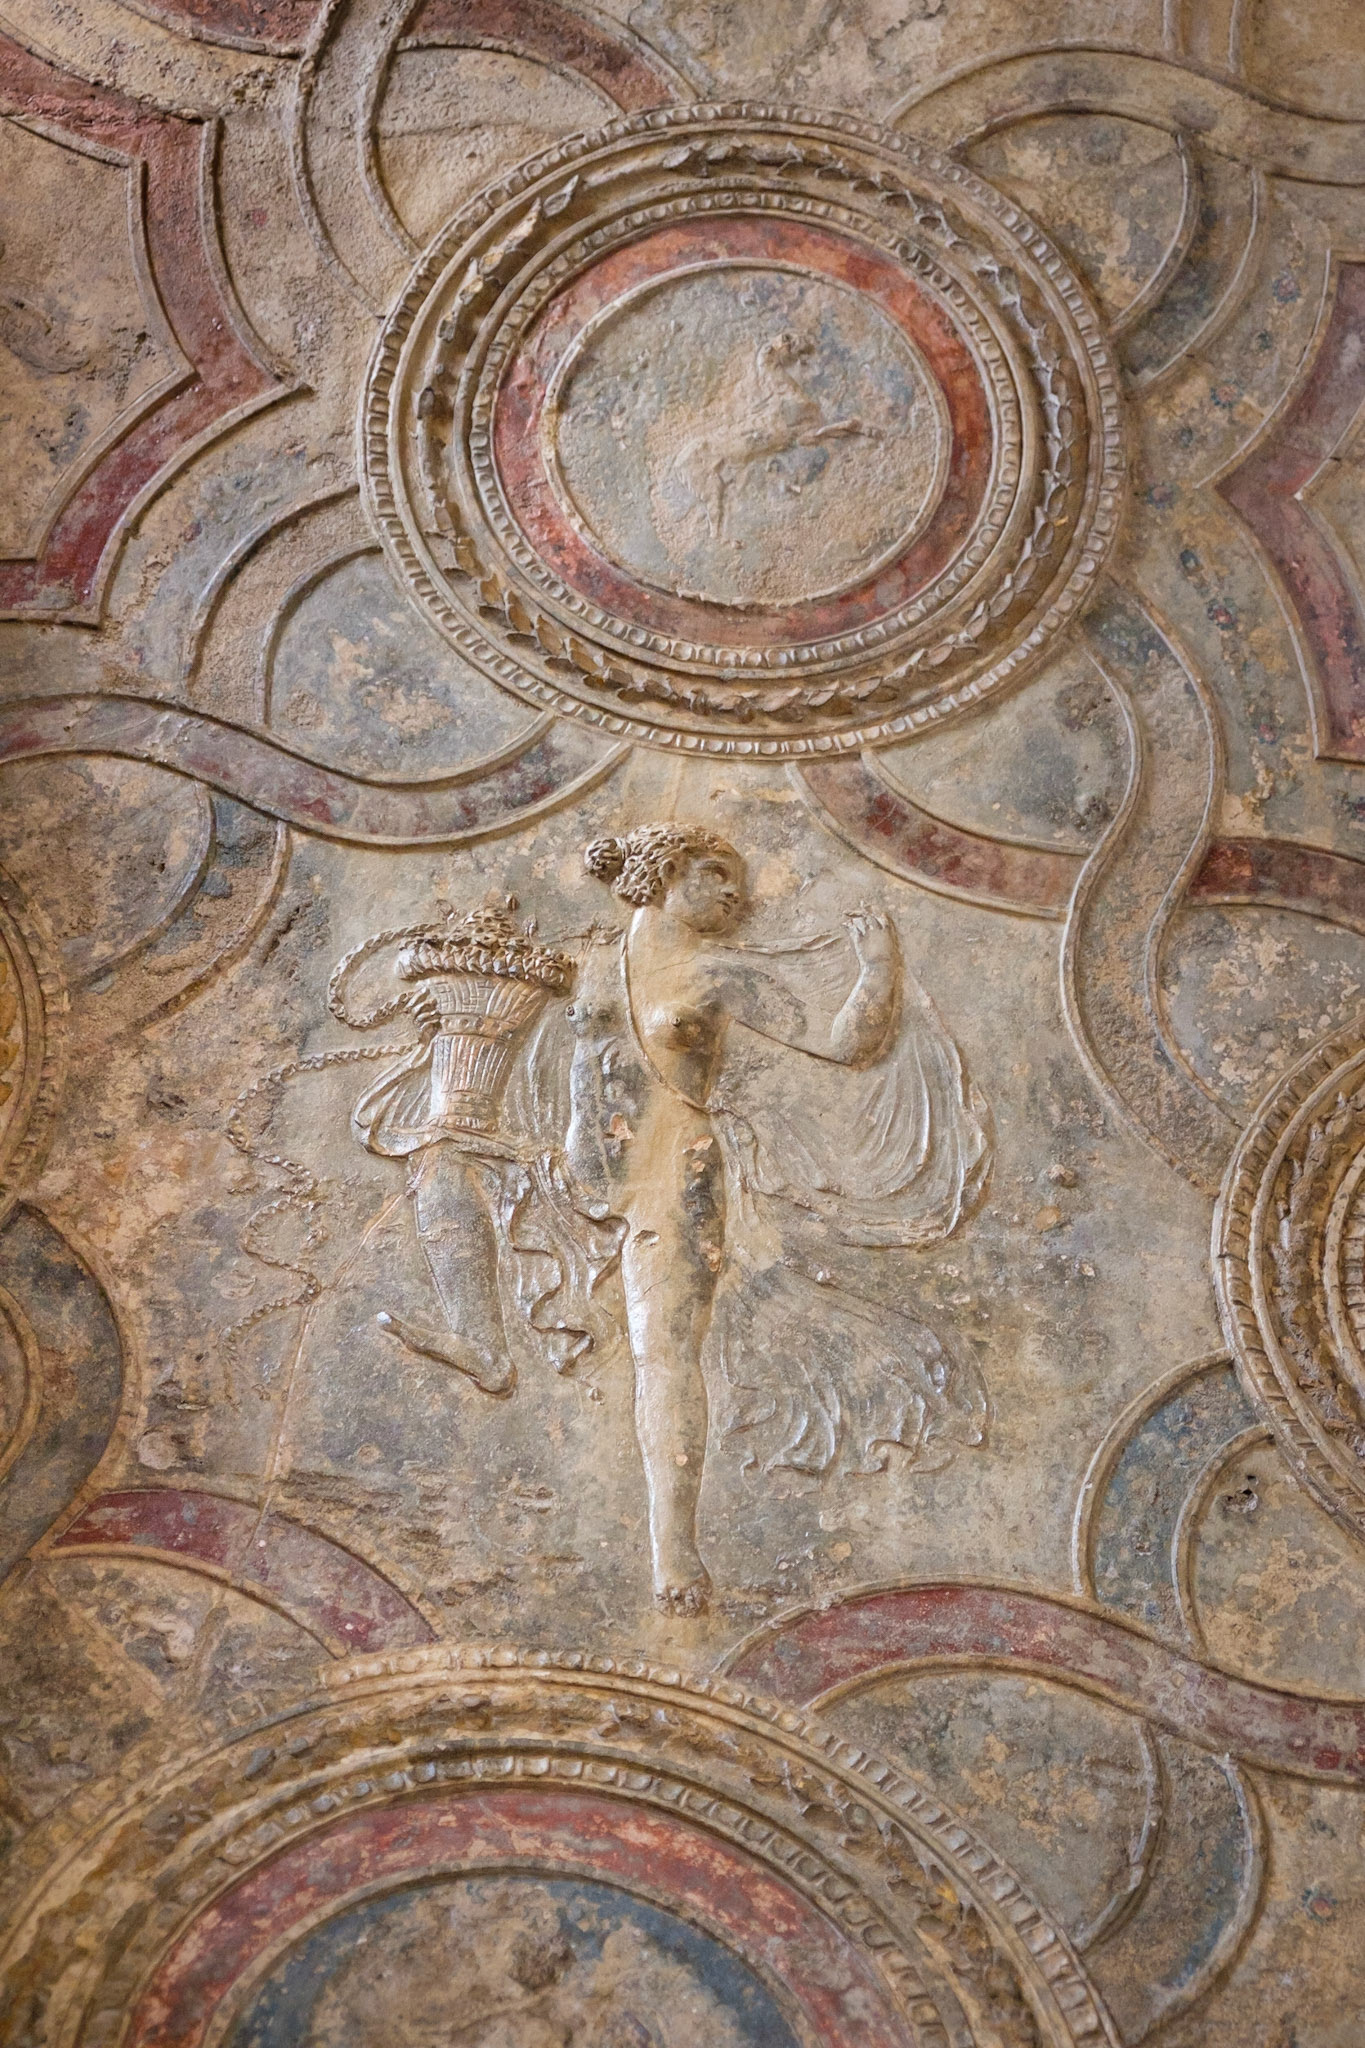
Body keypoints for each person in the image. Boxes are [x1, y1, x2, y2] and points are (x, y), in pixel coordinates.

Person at [563, 824, 990, 1615]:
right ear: (663, 873)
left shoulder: (721, 974)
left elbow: (845, 1048)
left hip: (680, 1173)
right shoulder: (596, 961)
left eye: (737, 878)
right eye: (715, 873)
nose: (735, 893)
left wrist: (877, 970)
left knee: (665, 1351)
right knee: (652, 1349)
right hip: (597, 1180)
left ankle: (673, 1552)